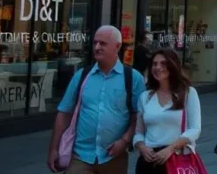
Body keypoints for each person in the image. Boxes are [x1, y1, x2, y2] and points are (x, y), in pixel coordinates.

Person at [47, 25, 144, 174]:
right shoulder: (82, 75)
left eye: (103, 43)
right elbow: (64, 113)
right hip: (80, 156)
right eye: (95, 43)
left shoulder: (133, 78)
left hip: (114, 157)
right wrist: (54, 149)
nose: (97, 47)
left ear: (117, 46)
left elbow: (138, 116)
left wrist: (124, 140)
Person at [132, 49, 201, 174]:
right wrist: (142, 147)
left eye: (163, 63)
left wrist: (171, 149)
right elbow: (138, 132)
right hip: (149, 161)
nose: (158, 67)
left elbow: (195, 129)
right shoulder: (145, 97)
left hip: (175, 159)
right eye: (154, 64)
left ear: (173, 65)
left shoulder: (188, 93)